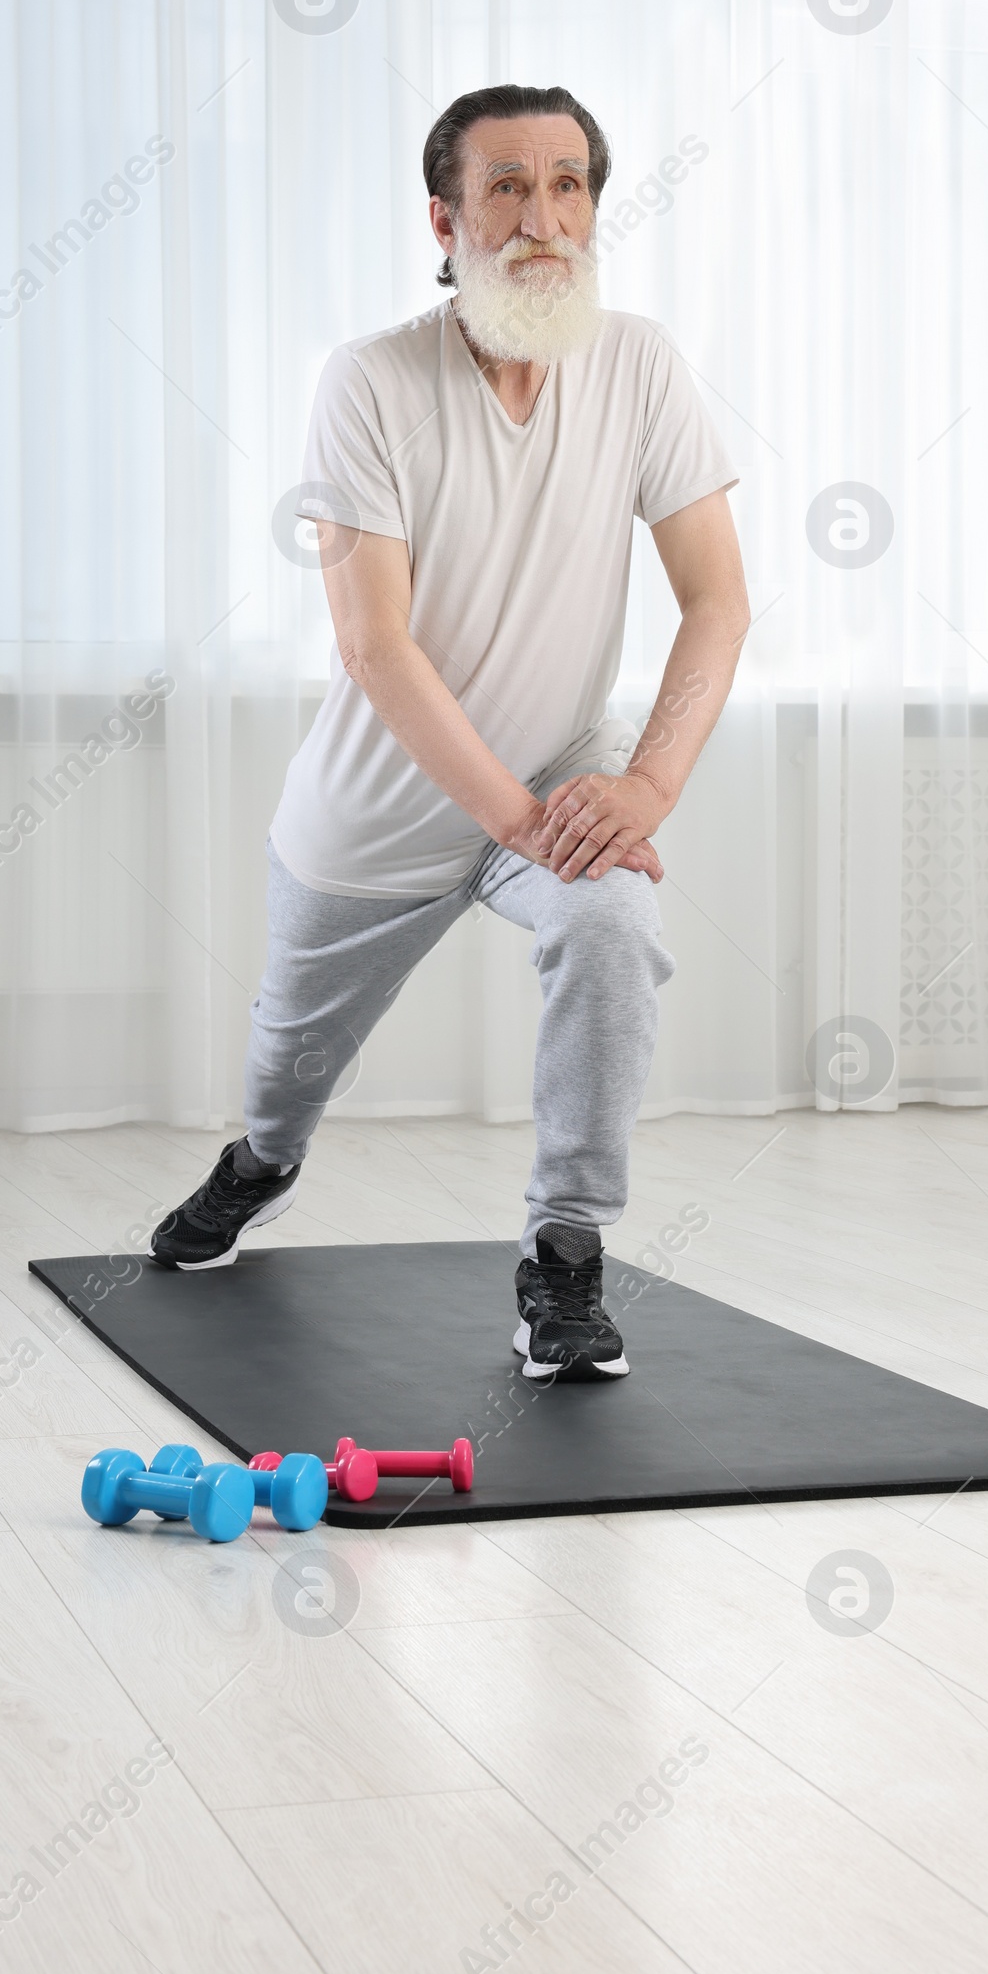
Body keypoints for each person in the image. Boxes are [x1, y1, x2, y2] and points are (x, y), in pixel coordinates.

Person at [150, 83, 749, 1380]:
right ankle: (258, 1163)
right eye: (508, 187)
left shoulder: (639, 364)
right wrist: (520, 819)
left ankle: (568, 1252)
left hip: (557, 785)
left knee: (613, 924)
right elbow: (376, 644)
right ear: (447, 215)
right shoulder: (370, 382)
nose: (546, 215)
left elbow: (718, 599)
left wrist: (643, 786)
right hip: (374, 815)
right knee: (286, 1078)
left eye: (571, 183)